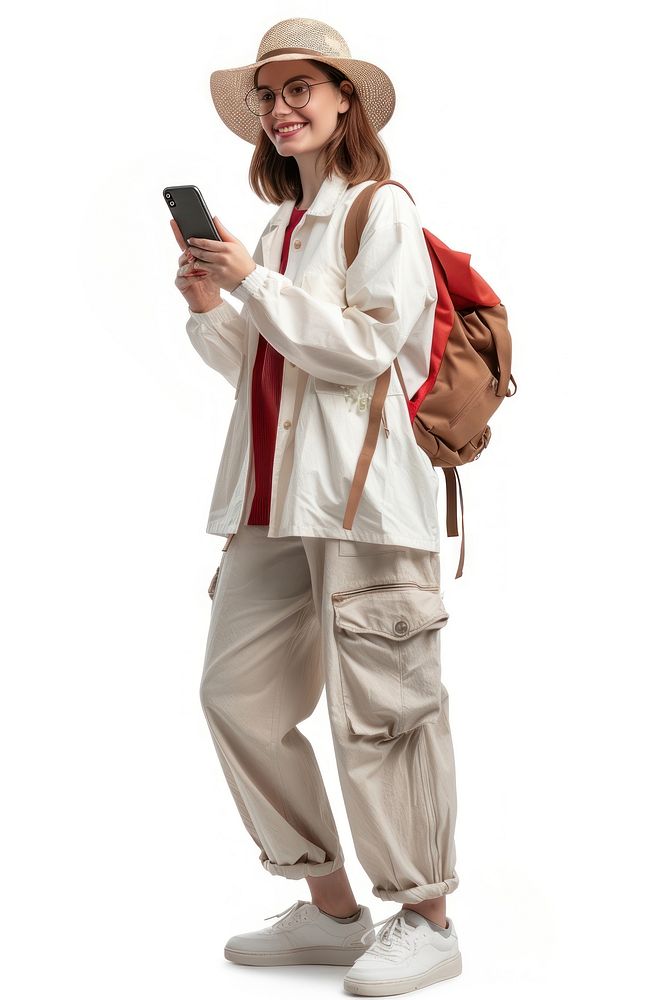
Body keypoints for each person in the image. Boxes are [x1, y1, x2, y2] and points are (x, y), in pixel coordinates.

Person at [171, 17, 462, 997]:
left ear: (344, 102)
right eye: (267, 94)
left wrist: (255, 284)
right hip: (267, 506)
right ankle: (332, 908)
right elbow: (260, 369)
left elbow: (361, 351)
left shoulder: (379, 208)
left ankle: (424, 916)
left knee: (379, 713)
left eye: (300, 88)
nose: (280, 107)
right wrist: (216, 302)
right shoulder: (272, 228)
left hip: (364, 507)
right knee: (236, 696)